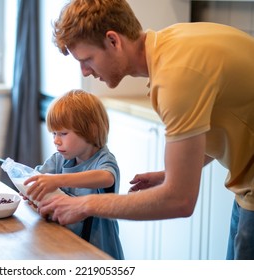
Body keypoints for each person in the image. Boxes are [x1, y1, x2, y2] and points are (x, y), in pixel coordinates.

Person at [37, 0, 254, 260]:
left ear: (113, 41)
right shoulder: (172, 46)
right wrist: (171, 173)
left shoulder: (176, 77)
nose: (85, 71)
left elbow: (179, 200)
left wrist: (84, 204)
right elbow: (227, 125)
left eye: (87, 59)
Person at [24, 89, 124, 260]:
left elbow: (106, 178)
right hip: (66, 247)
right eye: (54, 133)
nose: (56, 140)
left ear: (90, 131)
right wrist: (32, 195)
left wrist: (57, 180)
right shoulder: (59, 159)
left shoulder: (103, 160)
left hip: (98, 252)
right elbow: (35, 181)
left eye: (63, 133)